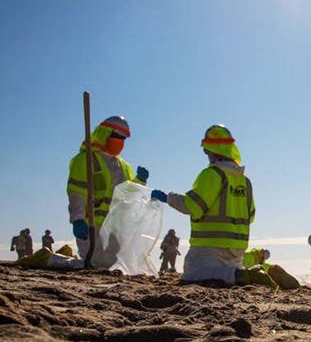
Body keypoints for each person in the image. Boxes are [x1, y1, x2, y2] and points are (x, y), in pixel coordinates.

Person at [150, 125, 276, 290]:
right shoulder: (245, 181)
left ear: (211, 150)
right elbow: (250, 216)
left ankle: (246, 275)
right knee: (229, 270)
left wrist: (168, 198)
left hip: (210, 246)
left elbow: (193, 206)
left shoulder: (212, 174)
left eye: (206, 151)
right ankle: (264, 273)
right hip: (237, 248)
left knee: (193, 273)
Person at [67, 116, 149, 260]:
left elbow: (126, 194)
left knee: (110, 265)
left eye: (123, 139)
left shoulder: (124, 167)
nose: (120, 142)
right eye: (117, 137)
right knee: (92, 262)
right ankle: (54, 260)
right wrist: (77, 219)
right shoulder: (86, 159)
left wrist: (139, 182)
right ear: (105, 134)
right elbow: (77, 192)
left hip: (115, 227)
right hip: (91, 225)